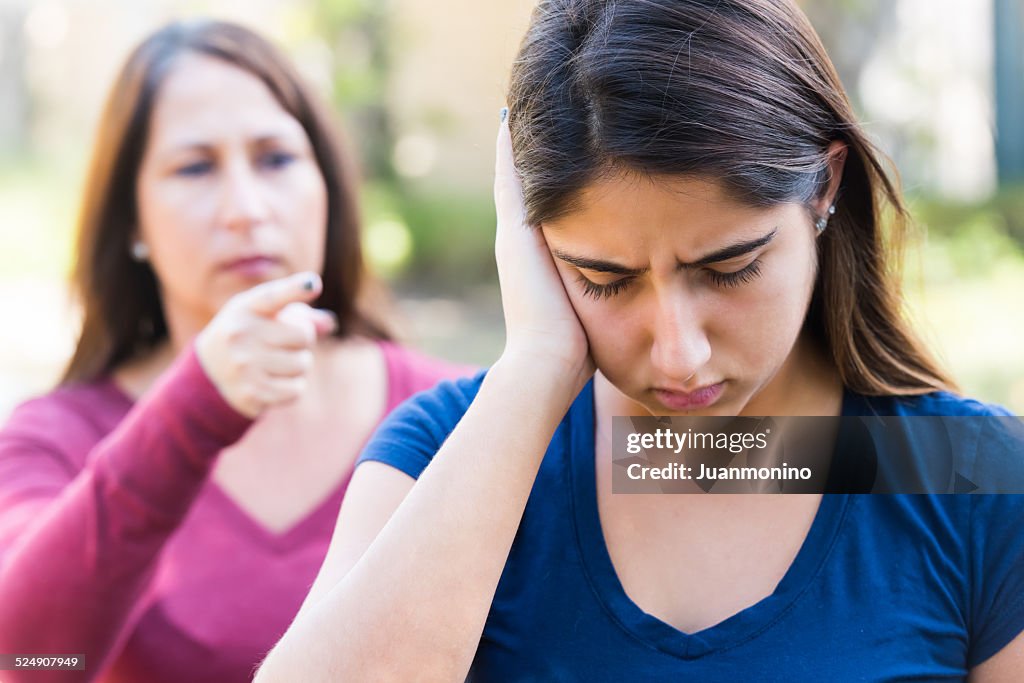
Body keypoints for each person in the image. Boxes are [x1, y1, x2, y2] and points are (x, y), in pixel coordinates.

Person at [256, 0, 1024, 680]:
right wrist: (534, 367)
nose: (678, 354)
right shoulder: (442, 458)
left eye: (729, 267)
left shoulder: (973, 476)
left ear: (823, 188)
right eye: (605, 278)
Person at [0, 19, 470, 683]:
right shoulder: (55, 438)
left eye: (276, 159)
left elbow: (655, 470)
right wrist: (193, 409)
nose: (247, 208)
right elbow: (29, 659)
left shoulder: (463, 411)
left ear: (327, 185)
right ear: (132, 219)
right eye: (195, 167)